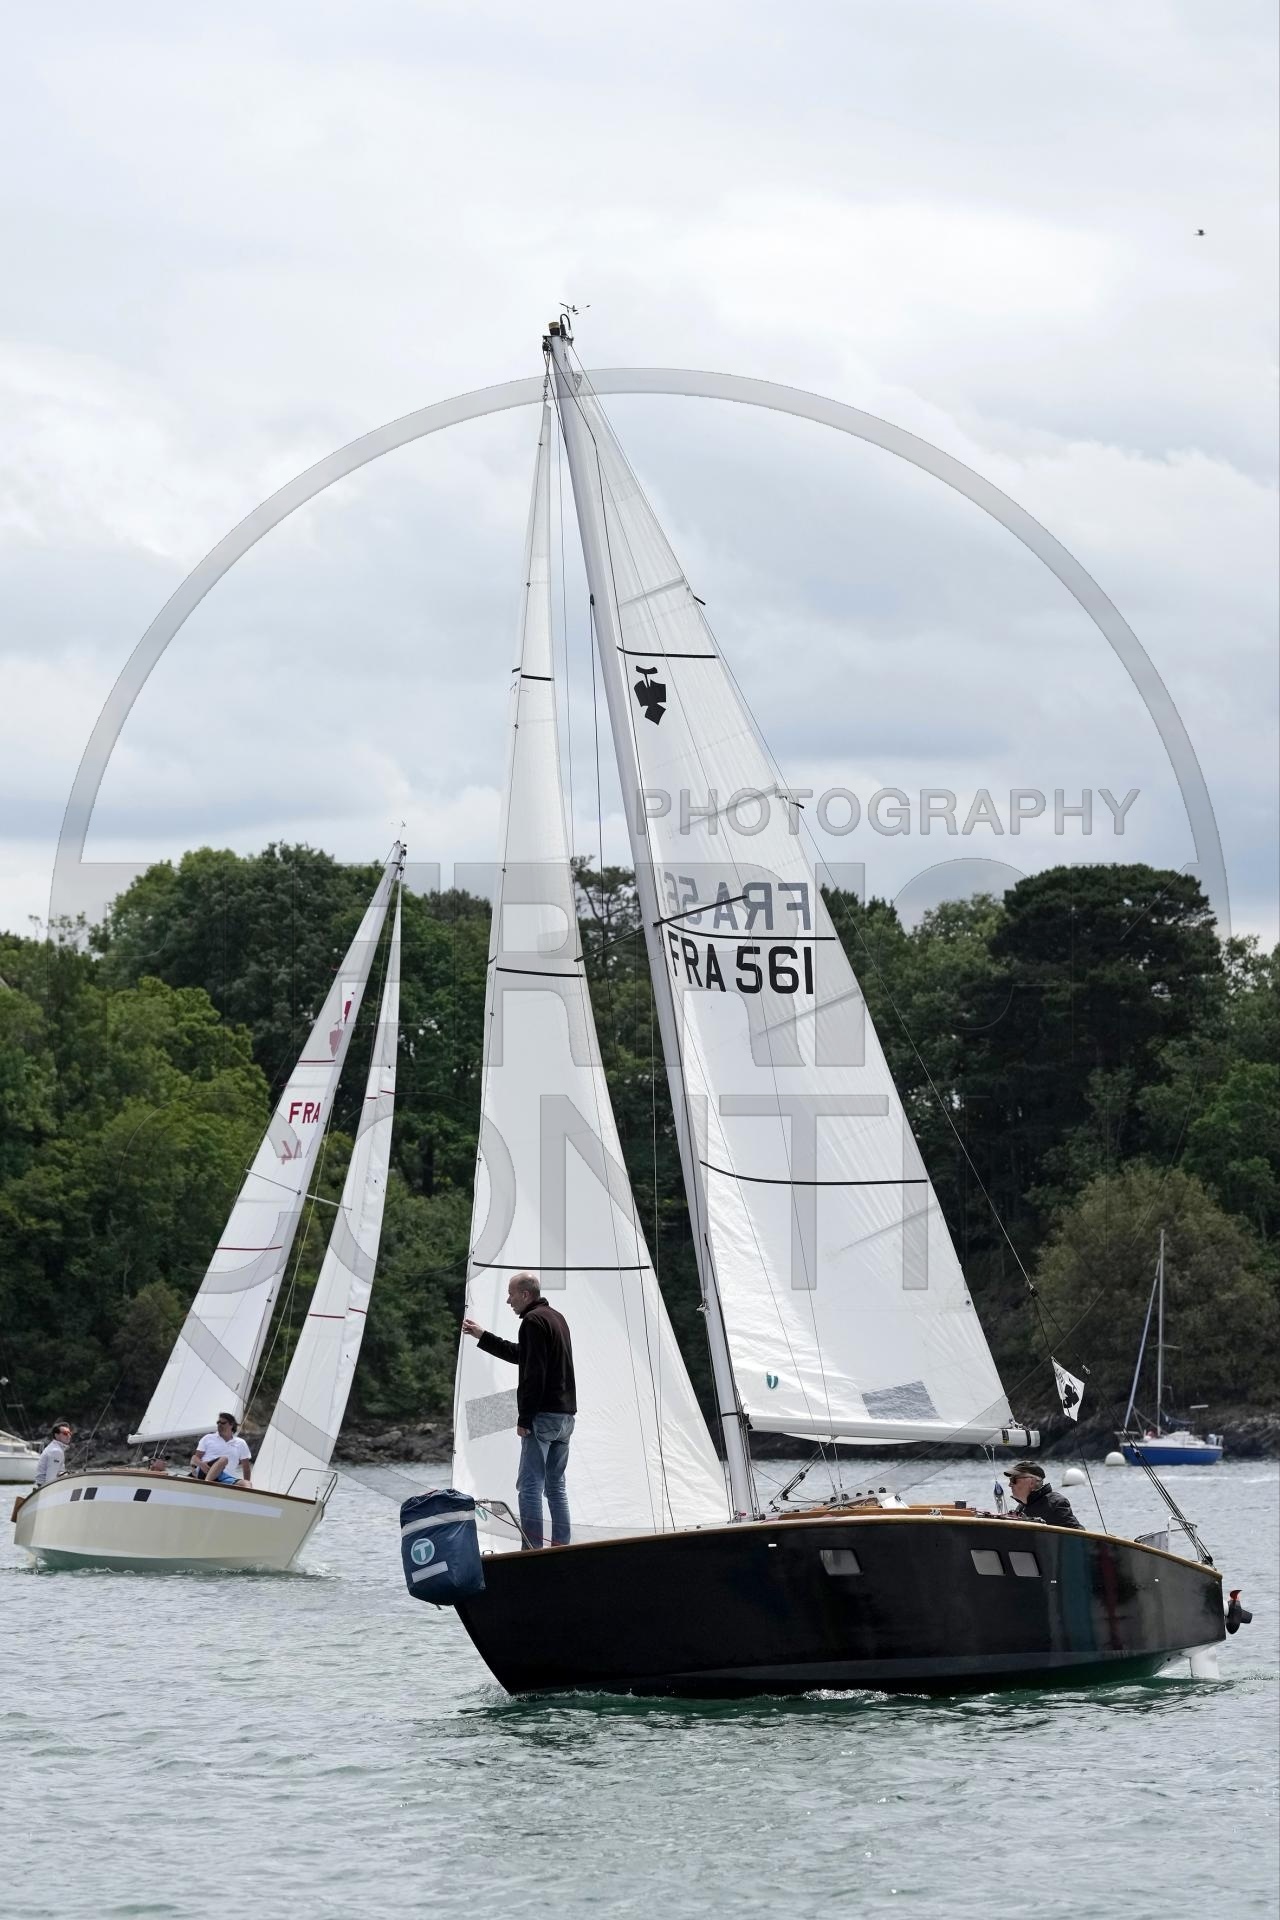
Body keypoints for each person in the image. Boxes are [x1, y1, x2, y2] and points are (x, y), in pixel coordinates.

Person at [462, 1273, 576, 1549]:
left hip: (542, 1416)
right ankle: (561, 1546)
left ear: (525, 1295)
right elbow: (521, 1355)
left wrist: (524, 1418)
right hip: (565, 1417)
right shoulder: (556, 1318)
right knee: (556, 1487)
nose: (508, 1300)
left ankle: (532, 1549)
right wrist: (482, 1336)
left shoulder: (532, 1321)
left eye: (511, 1294)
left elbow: (534, 1374)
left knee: (529, 1487)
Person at [1005, 1461, 1083, 1529]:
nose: (1010, 1485)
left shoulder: (1055, 1503)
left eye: (1013, 1480)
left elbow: (1078, 1533)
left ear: (1032, 1482)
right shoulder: (1022, 1506)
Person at [189, 1413, 253, 1487]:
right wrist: (201, 1464)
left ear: (231, 1425)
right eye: (218, 1423)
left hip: (225, 1478)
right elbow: (195, 1458)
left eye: (223, 1423)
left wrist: (247, 1486)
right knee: (224, 1459)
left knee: (247, 1483)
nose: (219, 1425)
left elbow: (246, 1468)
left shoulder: (241, 1443)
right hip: (205, 1471)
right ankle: (206, 1485)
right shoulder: (208, 1438)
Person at [33, 1421, 72, 1488]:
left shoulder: (53, 1447)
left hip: (41, 1487)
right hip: (45, 1488)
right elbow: (50, 1480)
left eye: (70, 1433)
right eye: (65, 1433)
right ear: (56, 1435)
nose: (69, 1436)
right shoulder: (56, 1451)